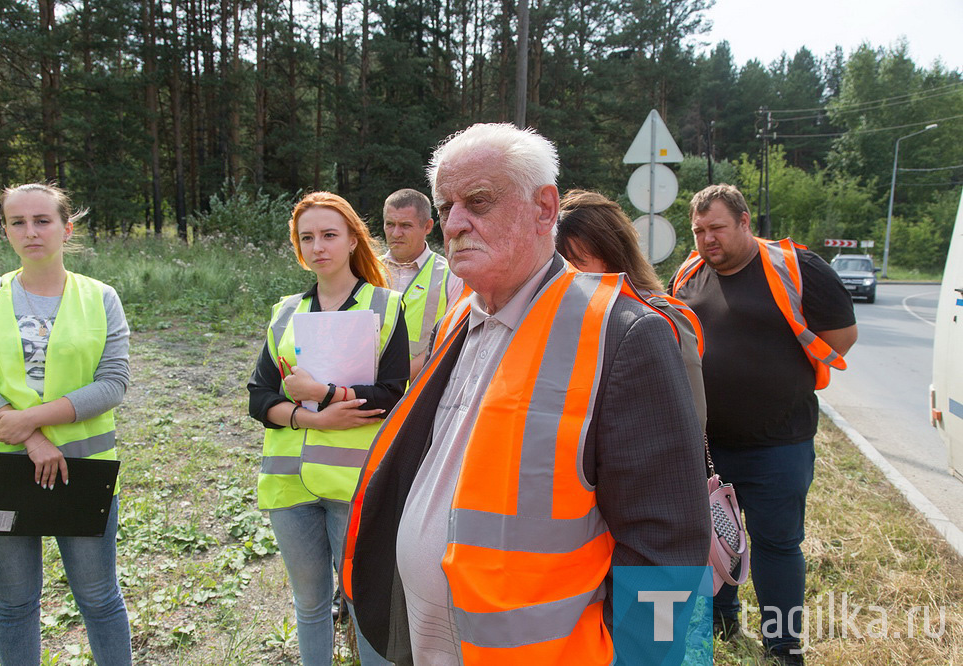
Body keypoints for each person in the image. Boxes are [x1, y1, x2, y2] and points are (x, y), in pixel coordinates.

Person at [341, 123, 710, 664]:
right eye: (446, 207)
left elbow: (668, 544)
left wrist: (647, 658)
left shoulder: (623, 334)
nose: (456, 223)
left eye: (480, 201)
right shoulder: (459, 321)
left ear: (544, 208)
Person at [670, 184, 857, 665]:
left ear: (745, 221)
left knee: (777, 543)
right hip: (709, 446)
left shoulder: (799, 269)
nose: (707, 239)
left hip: (779, 443)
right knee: (715, 536)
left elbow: (841, 335)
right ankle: (722, 617)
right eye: (698, 231)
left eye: (716, 228)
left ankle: (783, 644)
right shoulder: (689, 275)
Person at [0, 183, 132, 665]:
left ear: (66, 228)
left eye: (43, 221)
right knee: (15, 605)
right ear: (6, 230)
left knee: (99, 600)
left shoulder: (101, 297)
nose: (31, 231)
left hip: (82, 470)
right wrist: (32, 440)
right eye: (18, 222)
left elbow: (113, 383)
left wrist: (31, 420)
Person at [247, 191, 408, 666]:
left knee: (364, 605)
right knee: (310, 604)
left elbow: (391, 395)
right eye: (307, 237)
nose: (318, 246)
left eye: (329, 235)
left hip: (353, 483)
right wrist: (309, 416)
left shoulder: (386, 305)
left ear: (354, 240)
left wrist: (329, 392)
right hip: (288, 483)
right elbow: (260, 397)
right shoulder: (285, 313)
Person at [556, 188, 706, 426]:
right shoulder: (557, 318)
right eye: (558, 264)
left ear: (610, 258)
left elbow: (688, 422)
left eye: (576, 263)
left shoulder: (662, 319)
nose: (565, 275)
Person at [381, 188, 464, 379]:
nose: (396, 233)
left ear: (427, 227)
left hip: (420, 393)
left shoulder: (451, 276)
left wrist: (391, 382)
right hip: (365, 395)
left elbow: (449, 341)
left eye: (405, 225)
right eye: (389, 224)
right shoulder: (365, 271)